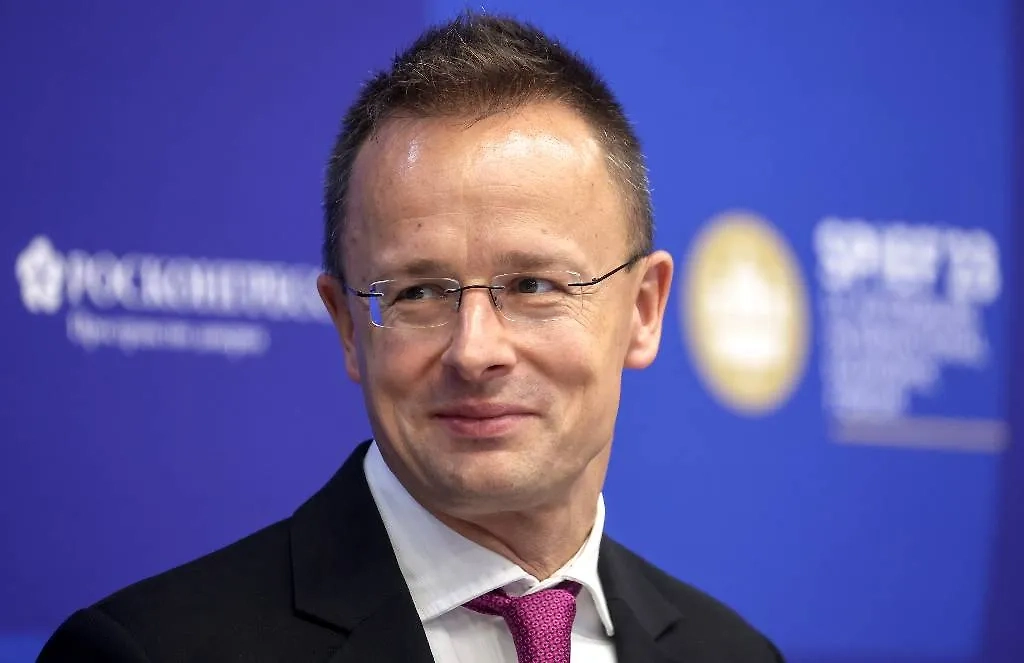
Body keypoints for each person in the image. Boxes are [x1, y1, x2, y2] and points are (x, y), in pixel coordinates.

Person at [38, 12, 784, 663]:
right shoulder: (149, 650)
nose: (476, 351)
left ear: (644, 309)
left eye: (533, 285)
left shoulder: (734, 653)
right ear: (347, 326)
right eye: (418, 292)